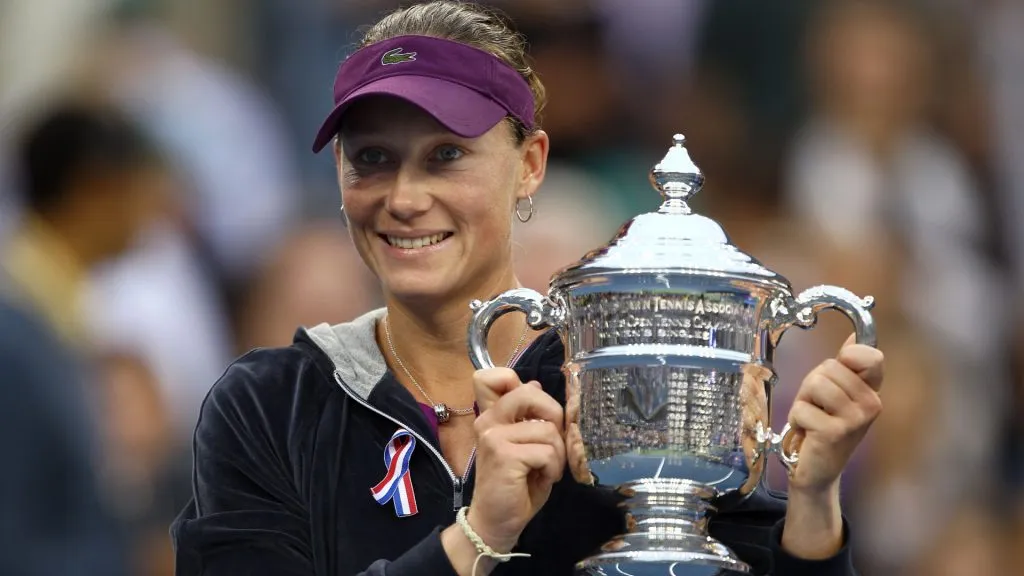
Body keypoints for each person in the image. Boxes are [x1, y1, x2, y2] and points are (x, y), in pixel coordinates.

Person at [170, 2, 885, 575]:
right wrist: (477, 537)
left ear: (531, 165)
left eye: (446, 156)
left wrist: (815, 499)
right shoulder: (268, 407)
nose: (405, 197)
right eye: (371, 160)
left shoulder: (628, 389)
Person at [0, 101, 164, 576]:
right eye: (142, 185)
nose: (152, 205)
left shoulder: (54, 317)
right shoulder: (14, 339)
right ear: (96, 187)